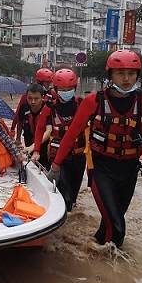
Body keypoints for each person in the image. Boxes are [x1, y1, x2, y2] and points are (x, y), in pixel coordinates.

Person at [47, 51, 142, 247]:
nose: (126, 79)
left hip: (129, 171)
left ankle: (91, 252)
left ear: (138, 74)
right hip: (101, 169)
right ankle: (112, 274)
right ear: (110, 75)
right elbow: (70, 136)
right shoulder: (93, 101)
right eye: (120, 73)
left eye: (131, 73)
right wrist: (56, 166)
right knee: (118, 229)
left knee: (110, 224)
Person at [33, 69, 85, 211]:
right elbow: (40, 129)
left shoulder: (82, 105)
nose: (66, 92)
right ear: (55, 89)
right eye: (62, 89)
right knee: (65, 196)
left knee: (73, 197)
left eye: (69, 89)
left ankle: (71, 216)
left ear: (75, 88)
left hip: (79, 156)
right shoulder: (50, 108)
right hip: (57, 158)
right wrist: (37, 150)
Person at [11, 67, 54, 133]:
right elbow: (19, 114)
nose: (49, 85)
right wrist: (13, 129)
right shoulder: (27, 95)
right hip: (29, 129)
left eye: (50, 83)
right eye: (47, 83)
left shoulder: (52, 94)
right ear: (40, 82)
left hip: (45, 130)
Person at [16, 83, 50, 168]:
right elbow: (20, 122)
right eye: (30, 98)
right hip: (29, 141)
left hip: (44, 145)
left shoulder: (49, 109)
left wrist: (34, 147)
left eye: (36, 98)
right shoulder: (24, 108)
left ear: (42, 97)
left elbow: (48, 131)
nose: (33, 102)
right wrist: (18, 138)